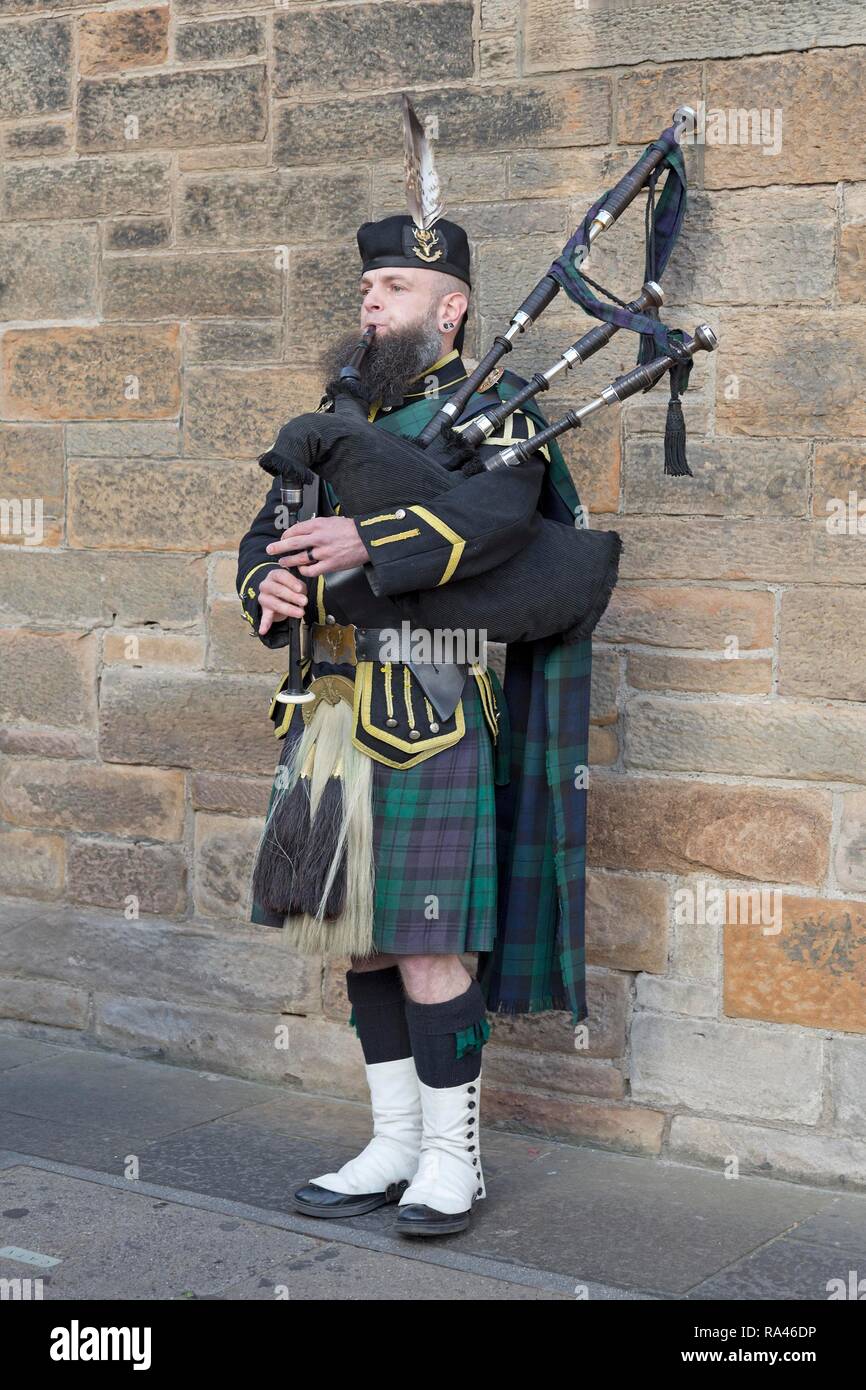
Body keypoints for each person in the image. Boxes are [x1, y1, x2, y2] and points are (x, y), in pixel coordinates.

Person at [236, 211, 592, 1238]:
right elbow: (264, 533)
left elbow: (500, 524)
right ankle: (392, 1142)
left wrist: (368, 532)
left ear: (452, 306)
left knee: (432, 946)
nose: (370, 303)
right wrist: (269, 584)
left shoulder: (500, 411)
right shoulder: (333, 414)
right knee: (360, 943)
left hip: (433, 703)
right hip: (332, 702)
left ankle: (453, 1160)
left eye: (392, 287)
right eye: (366, 287)